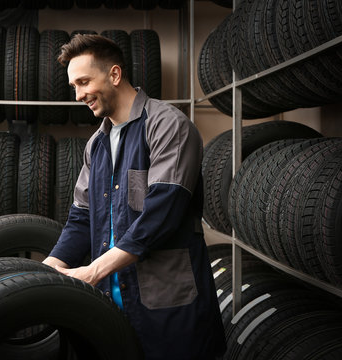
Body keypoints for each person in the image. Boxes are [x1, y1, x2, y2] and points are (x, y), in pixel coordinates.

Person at [42, 34, 226, 360]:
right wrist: (48, 267)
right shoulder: (96, 146)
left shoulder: (167, 125)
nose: (79, 95)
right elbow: (81, 218)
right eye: (74, 87)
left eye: (84, 82)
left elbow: (161, 214)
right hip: (111, 306)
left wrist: (93, 271)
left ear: (114, 74)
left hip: (168, 308)